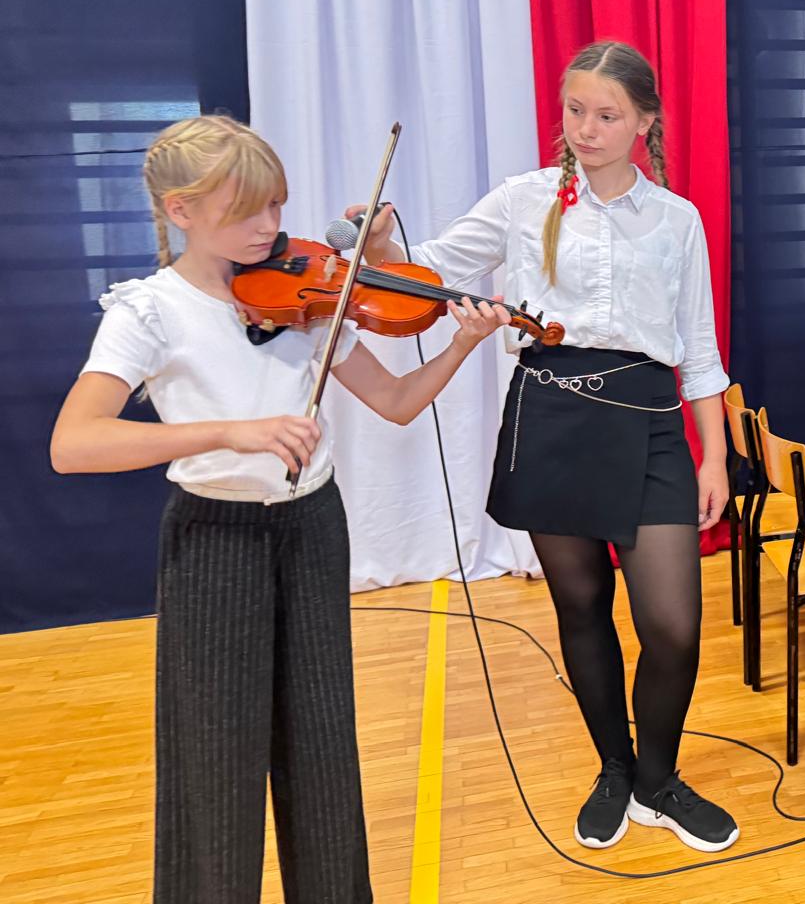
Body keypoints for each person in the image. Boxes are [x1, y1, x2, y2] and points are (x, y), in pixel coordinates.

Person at [51, 114, 509, 903]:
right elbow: (74, 442)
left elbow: (398, 401)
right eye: (245, 211)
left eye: (276, 204)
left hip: (311, 527)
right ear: (180, 211)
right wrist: (230, 431)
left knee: (323, 745)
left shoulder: (304, 294)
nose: (270, 227)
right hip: (214, 540)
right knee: (215, 761)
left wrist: (463, 343)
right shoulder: (149, 311)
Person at [357, 40, 737, 852]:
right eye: (575, 111)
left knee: (672, 626)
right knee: (582, 609)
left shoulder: (677, 219)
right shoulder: (521, 200)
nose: (586, 129)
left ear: (644, 123)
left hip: (650, 424)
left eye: (607, 115)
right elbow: (426, 270)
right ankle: (616, 769)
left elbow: (700, 351)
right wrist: (384, 246)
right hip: (550, 419)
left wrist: (713, 456)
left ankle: (659, 782)